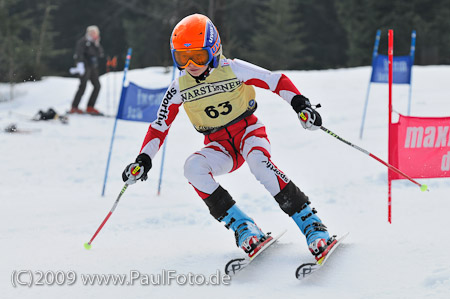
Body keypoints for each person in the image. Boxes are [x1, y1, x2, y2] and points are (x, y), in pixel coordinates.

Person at [122, 14, 336, 260]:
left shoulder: (232, 69)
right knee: (192, 168)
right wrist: (143, 160)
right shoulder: (179, 87)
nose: (191, 64)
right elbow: (159, 127)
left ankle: (311, 224)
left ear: (214, 50)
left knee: (259, 164)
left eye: (198, 56)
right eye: (182, 57)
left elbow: (276, 81)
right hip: (219, 146)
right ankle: (243, 227)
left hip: (248, 132)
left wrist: (301, 105)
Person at [69, 25, 104, 115]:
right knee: (83, 86)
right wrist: (79, 65)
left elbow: (100, 54)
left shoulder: (95, 43)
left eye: (95, 33)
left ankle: (90, 106)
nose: (94, 35)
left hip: (93, 67)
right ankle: (74, 107)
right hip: (84, 66)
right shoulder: (83, 42)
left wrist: (97, 44)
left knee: (97, 86)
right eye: (92, 33)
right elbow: (78, 54)